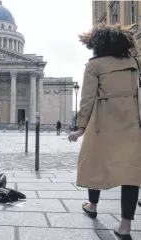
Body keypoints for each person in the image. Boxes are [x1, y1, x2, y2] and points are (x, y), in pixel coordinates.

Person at [68, 24, 141, 240]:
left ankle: (93, 205)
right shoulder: (133, 63)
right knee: (131, 174)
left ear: (97, 44)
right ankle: (125, 226)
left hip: (102, 123)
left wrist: (80, 128)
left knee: (94, 164)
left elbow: (87, 99)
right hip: (130, 124)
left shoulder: (94, 65)